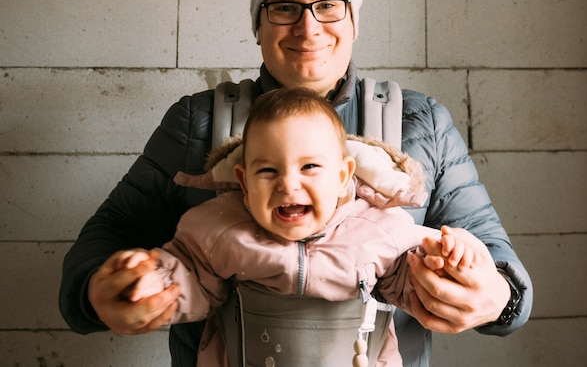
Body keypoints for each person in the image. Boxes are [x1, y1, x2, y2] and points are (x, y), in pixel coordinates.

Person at [59, 0, 533, 366]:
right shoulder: (196, 124)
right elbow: (105, 240)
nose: (308, 29)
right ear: (258, 26)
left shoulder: (420, 122)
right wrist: (99, 290)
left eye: (328, 5)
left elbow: (498, 263)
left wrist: (495, 296)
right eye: (284, 8)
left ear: (353, 21)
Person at [116, 87, 480, 366]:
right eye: (268, 170)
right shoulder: (219, 229)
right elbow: (189, 277)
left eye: (309, 168)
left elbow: (415, 278)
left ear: (342, 178)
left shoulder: (378, 230)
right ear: (243, 182)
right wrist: (151, 283)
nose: (288, 185)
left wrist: (448, 260)